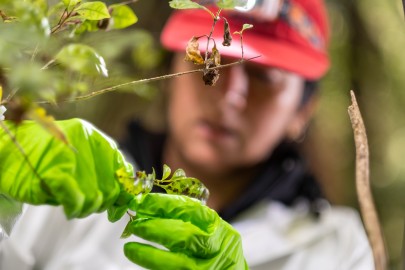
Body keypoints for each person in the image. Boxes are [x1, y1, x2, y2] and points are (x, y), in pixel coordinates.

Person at [0, 0, 374, 269]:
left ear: (301, 111)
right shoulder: (66, 185)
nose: (228, 94)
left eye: (263, 77)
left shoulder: (335, 246)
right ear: (169, 77)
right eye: (205, 61)